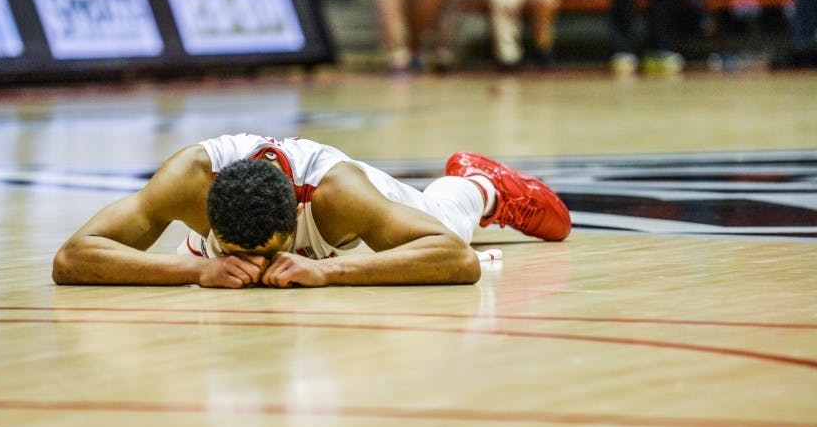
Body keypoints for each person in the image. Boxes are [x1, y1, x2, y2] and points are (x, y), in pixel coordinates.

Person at [52, 134, 571, 288]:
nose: (256, 271)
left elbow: (457, 259)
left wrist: (330, 268)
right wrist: (195, 267)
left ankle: (482, 184)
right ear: (207, 215)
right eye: (239, 256)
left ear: (295, 221)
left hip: (342, 188)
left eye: (268, 254)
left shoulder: (335, 194)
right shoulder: (186, 181)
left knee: (446, 218)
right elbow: (71, 258)